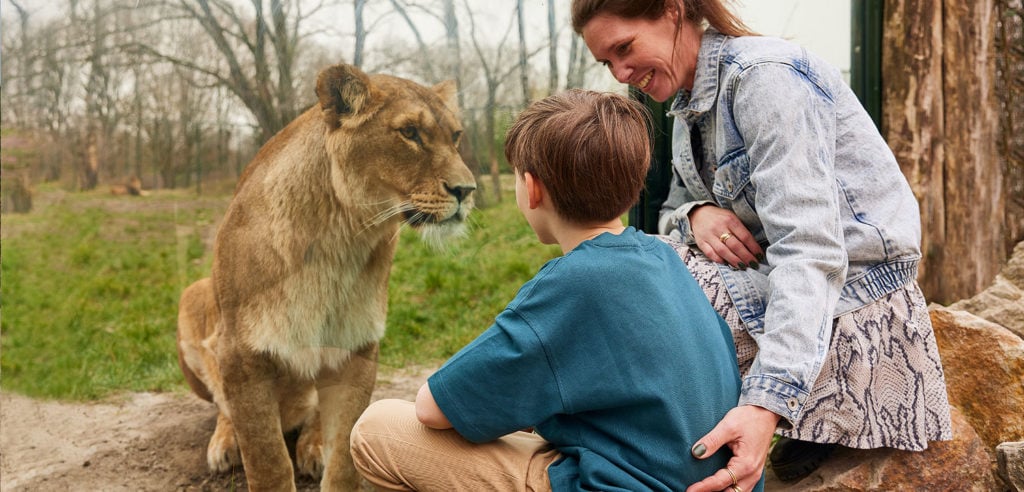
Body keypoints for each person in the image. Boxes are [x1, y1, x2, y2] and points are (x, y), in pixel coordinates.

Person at [571, 1, 953, 491]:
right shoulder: (688, 108)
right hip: (766, 279)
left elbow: (811, 252)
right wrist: (696, 215)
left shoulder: (764, 79)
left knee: (641, 295)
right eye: (607, 62)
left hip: (852, 299)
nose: (622, 71)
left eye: (625, 48)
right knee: (627, 268)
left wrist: (766, 403)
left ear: (672, 12)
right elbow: (670, 213)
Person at [350, 89, 763, 492]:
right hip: (705, 476)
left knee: (380, 427)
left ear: (532, 188)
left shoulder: (573, 282)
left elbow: (433, 408)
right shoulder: (665, 259)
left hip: (613, 482)